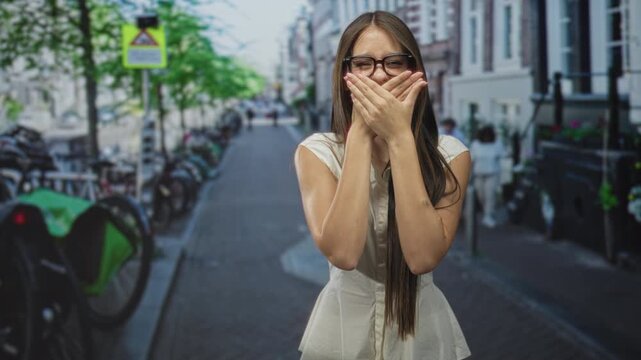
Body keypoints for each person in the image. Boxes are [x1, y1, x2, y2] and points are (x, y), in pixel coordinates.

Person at [294, 11, 471, 360]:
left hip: (422, 335)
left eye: (393, 61)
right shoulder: (317, 152)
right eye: (364, 63)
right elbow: (342, 253)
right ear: (346, 74)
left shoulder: (451, 155)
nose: (378, 74)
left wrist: (399, 137)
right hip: (341, 332)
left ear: (413, 69)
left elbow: (422, 258)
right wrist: (360, 131)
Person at [470, 125, 505, 228]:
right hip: (479, 174)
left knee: (490, 195)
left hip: (493, 173)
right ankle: (487, 212)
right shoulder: (476, 144)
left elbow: (502, 156)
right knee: (481, 196)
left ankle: (488, 216)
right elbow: (472, 159)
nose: (487, 138)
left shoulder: (497, 144)